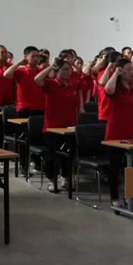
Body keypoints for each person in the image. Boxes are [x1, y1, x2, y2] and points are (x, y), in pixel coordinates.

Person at [35, 58, 82, 192]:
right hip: (52, 128)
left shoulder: (72, 86)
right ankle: (51, 180)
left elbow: (75, 107)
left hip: (69, 128)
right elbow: (37, 79)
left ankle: (65, 178)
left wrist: (77, 125)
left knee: (69, 155)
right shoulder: (51, 84)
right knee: (52, 156)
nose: (67, 72)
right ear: (57, 71)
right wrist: (51, 67)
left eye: (69, 69)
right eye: (64, 69)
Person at [104, 58, 133, 207]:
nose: (131, 72)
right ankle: (115, 197)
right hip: (115, 133)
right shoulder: (116, 88)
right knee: (114, 168)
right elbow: (108, 90)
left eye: (132, 69)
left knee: (131, 168)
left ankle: (129, 196)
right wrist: (115, 73)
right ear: (120, 71)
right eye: (127, 69)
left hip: (132, 132)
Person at [3, 46, 45, 117]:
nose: (35, 58)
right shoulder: (21, 71)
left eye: (37, 56)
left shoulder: (41, 71)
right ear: (25, 57)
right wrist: (18, 63)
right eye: (33, 56)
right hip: (25, 108)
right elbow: (6, 75)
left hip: (40, 107)